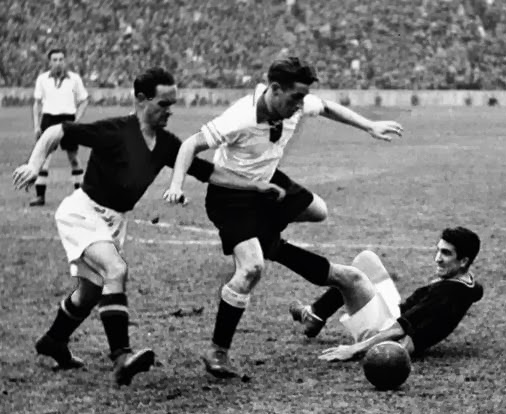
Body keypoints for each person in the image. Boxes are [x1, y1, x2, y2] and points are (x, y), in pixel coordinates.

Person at [12, 67, 283, 386]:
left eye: (172, 104)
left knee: (89, 292)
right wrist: (34, 164)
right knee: (115, 270)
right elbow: (57, 131)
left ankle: (53, 341)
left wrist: (255, 185)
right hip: (83, 213)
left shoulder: (166, 143)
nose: (170, 111)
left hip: (114, 221)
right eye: (163, 104)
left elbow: (206, 171)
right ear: (141, 99)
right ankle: (121, 357)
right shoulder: (115, 130)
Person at [163, 56, 403, 378]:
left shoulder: (295, 104)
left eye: (303, 97)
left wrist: (369, 126)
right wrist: (176, 185)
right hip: (231, 197)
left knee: (318, 211)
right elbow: (191, 144)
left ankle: (267, 241)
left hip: (269, 183)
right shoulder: (241, 117)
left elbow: (327, 107)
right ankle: (218, 352)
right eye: (295, 98)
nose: (300, 105)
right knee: (251, 268)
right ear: (274, 89)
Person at [288, 227, 483, 361]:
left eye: (446, 253)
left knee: (352, 278)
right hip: (395, 313)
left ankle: (282, 251)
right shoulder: (467, 284)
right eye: (438, 250)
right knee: (367, 260)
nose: (437, 259)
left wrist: (354, 349)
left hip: (386, 335)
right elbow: (477, 290)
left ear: (464, 261)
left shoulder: (446, 294)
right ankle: (315, 314)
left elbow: (399, 329)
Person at [30, 48, 89, 206]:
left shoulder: (74, 79)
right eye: (55, 60)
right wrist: (36, 125)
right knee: (44, 158)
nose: (58, 63)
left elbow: (84, 99)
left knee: (74, 158)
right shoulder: (42, 79)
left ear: (65, 61)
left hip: (68, 119)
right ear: (49, 62)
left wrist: (76, 119)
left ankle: (80, 197)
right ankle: (40, 196)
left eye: (61, 59)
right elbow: (37, 103)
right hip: (48, 119)